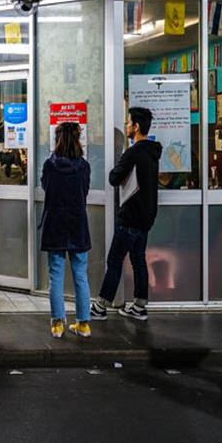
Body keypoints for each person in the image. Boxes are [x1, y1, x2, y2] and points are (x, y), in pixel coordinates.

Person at [91, 107, 162, 322]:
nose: (126, 126)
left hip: (130, 216)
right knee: (138, 259)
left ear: (137, 127)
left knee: (115, 260)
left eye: (128, 122)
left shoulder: (134, 152)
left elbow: (114, 178)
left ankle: (101, 305)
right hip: (146, 217)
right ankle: (140, 306)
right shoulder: (152, 153)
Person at [40, 122, 93, 338]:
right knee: (80, 275)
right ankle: (84, 324)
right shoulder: (84, 166)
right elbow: (85, 191)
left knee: (56, 276)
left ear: (57, 139)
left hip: (55, 224)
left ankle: (57, 324)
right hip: (78, 224)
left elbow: (45, 187)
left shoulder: (49, 165)